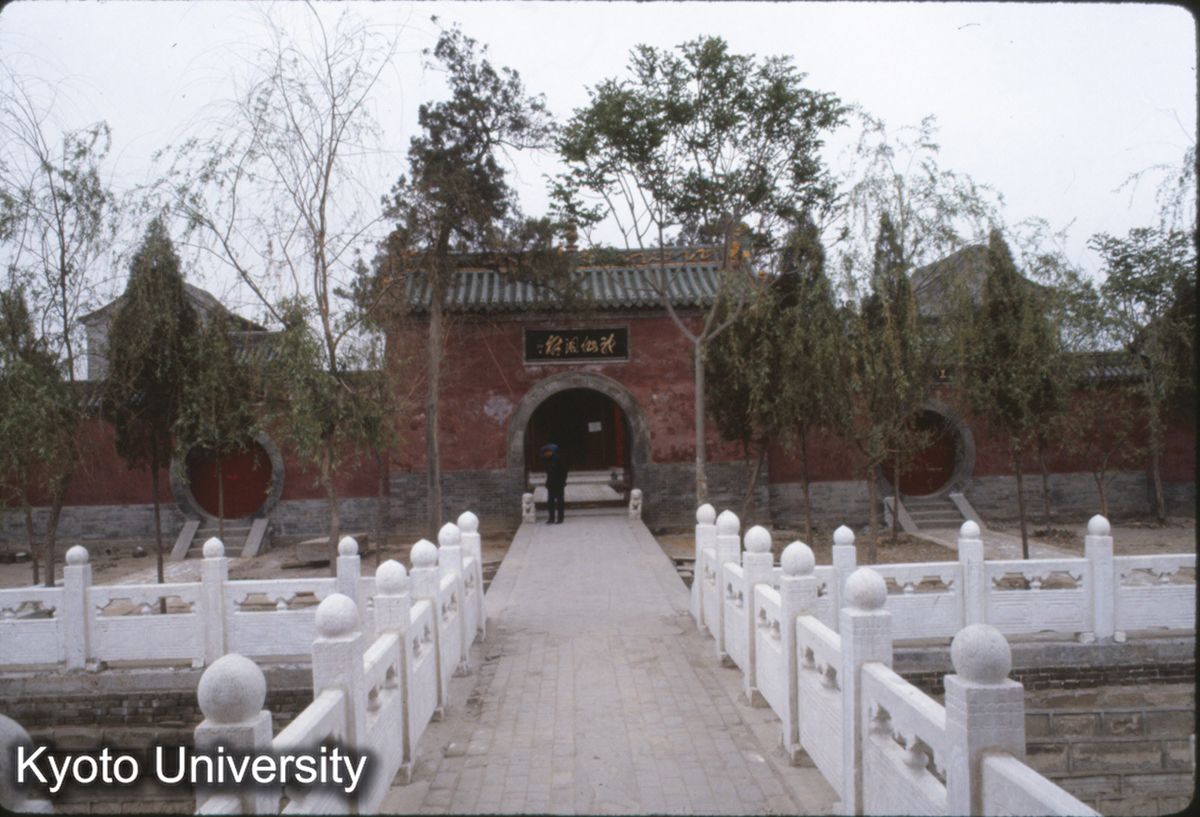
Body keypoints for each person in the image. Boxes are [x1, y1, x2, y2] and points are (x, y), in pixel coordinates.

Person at [541, 443, 567, 524]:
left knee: (560, 502)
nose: (543, 456)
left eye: (544, 454)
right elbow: (549, 472)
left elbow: (564, 471)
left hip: (559, 484)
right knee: (550, 502)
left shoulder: (558, 459)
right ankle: (551, 518)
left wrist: (562, 481)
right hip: (551, 484)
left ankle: (560, 518)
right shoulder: (546, 460)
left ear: (548, 452)